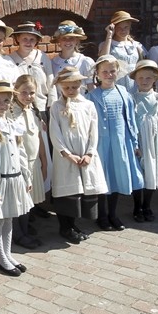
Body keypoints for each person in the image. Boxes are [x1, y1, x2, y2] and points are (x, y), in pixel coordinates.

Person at [49, 67, 108, 244]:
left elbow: (93, 131)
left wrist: (90, 152)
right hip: (66, 157)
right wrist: (66, 154)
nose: (70, 91)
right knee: (66, 192)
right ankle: (65, 227)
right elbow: (55, 132)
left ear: (80, 85)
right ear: (60, 88)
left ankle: (73, 225)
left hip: (84, 155)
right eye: (66, 88)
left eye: (74, 87)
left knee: (80, 191)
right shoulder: (56, 107)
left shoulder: (88, 105)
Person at [86, 55, 144, 231]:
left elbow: (130, 119)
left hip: (121, 141)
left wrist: (134, 141)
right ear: (97, 74)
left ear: (118, 72)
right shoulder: (91, 96)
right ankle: (102, 216)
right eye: (105, 71)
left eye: (112, 71)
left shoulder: (123, 93)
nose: (109, 74)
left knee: (118, 176)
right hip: (101, 144)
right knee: (104, 178)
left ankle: (113, 213)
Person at [0, 81, 34, 276]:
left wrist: (26, 177)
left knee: (9, 218)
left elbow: (21, 152)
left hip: (15, 178)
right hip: (0, 180)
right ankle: (1, 258)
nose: (2, 104)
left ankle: (8, 254)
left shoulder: (13, 125)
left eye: (6, 100)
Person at [129, 60, 158, 222]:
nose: (144, 81)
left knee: (152, 173)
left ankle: (147, 206)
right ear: (136, 79)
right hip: (139, 142)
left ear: (155, 79)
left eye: (148, 78)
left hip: (154, 143)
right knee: (138, 174)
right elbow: (129, 122)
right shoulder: (131, 99)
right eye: (141, 78)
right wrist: (133, 144)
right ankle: (137, 207)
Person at [10, 74, 48, 248]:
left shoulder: (32, 111)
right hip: (19, 165)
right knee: (20, 201)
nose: (28, 96)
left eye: (32, 92)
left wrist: (44, 161)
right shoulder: (11, 113)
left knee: (29, 201)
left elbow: (38, 137)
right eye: (23, 92)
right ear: (15, 91)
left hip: (33, 163)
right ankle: (19, 234)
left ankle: (24, 229)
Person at [5, 21, 57, 113]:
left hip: (42, 107)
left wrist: (52, 104)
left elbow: (51, 81)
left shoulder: (42, 57)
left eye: (32, 39)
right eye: (25, 38)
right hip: (19, 107)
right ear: (18, 38)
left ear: (37, 40)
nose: (28, 42)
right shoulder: (10, 59)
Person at [98, 11, 148, 93]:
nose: (123, 30)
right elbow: (102, 59)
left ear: (130, 27)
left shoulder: (136, 45)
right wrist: (109, 35)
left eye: (126, 27)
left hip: (135, 84)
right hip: (117, 83)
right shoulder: (107, 44)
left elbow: (145, 63)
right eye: (119, 28)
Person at [50, 20, 95, 94]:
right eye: (64, 38)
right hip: (60, 103)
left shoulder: (85, 61)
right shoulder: (53, 63)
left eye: (71, 38)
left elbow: (91, 89)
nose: (68, 42)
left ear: (77, 41)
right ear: (59, 41)